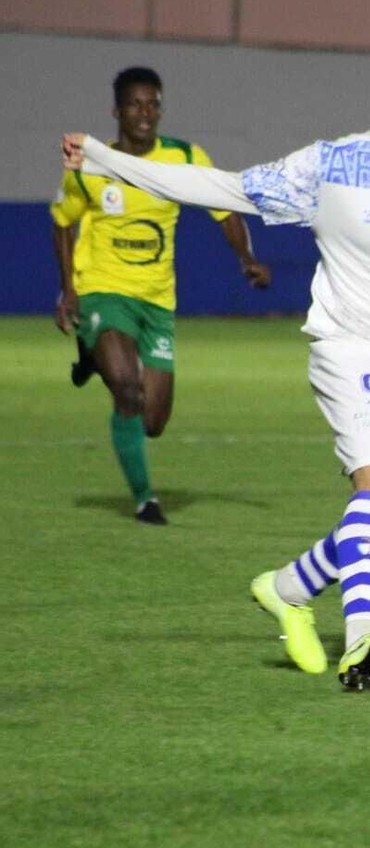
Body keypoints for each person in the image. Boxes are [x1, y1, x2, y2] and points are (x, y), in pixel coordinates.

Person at [62, 50, 370, 690]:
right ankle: (360, 643)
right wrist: (104, 159)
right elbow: (221, 188)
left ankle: (287, 588)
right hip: (350, 348)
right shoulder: (334, 169)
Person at [50, 66, 269, 525]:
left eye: (153, 104)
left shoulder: (184, 157)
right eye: (135, 104)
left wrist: (245, 256)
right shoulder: (92, 165)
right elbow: (63, 220)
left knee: (153, 421)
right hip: (103, 290)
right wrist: (69, 289)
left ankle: (93, 355)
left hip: (157, 301)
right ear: (117, 110)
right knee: (127, 391)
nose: (145, 113)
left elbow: (222, 208)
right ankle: (145, 499)